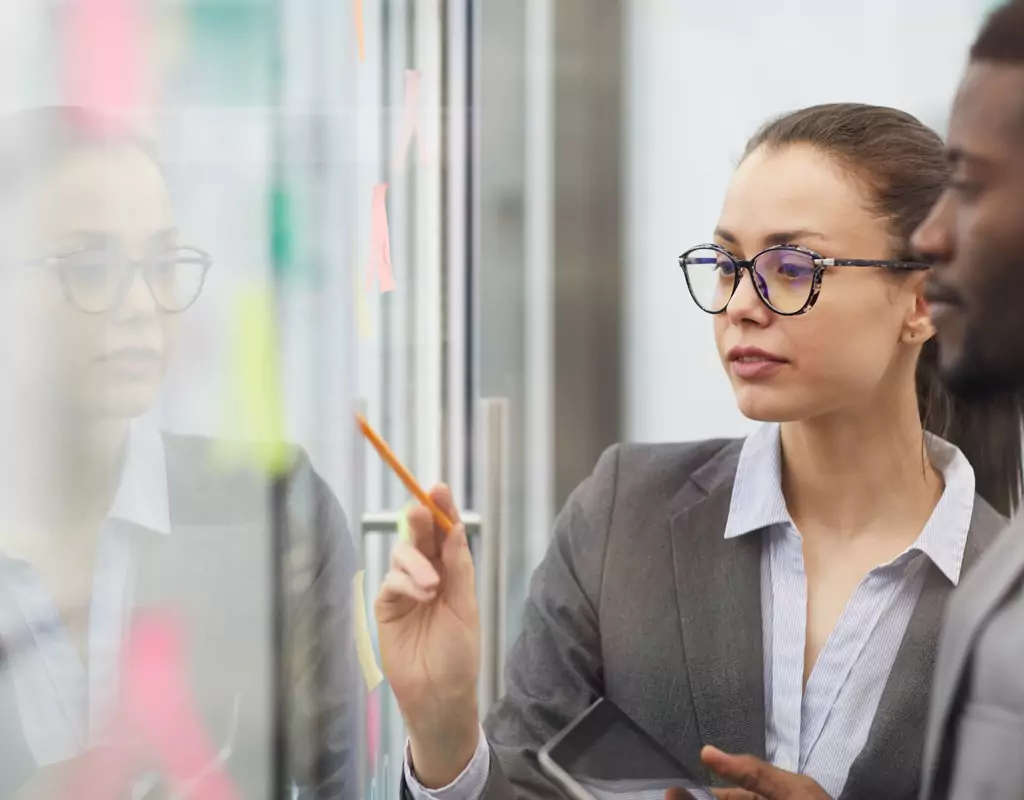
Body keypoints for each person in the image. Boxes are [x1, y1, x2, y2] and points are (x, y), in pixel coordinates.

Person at [376, 101, 1023, 799]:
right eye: (726, 264)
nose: (740, 304)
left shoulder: (1007, 597)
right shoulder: (623, 517)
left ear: (923, 302)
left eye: (791, 267)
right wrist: (445, 734)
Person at [0, 107, 361, 799]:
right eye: (91, 266)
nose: (142, 305)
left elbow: (341, 783)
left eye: (163, 265)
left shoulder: (277, 513)